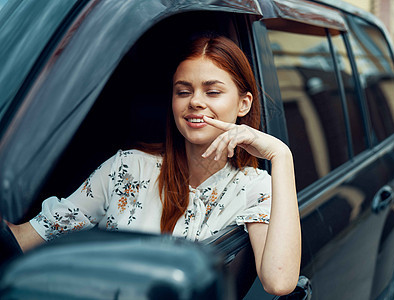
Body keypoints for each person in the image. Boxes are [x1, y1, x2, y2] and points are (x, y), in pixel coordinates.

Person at [7, 35, 301, 295]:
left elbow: (279, 282)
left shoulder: (254, 187)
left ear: (243, 104)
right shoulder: (126, 168)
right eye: (183, 91)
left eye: (212, 91)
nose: (196, 102)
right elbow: (28, 236)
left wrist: (280, 154)